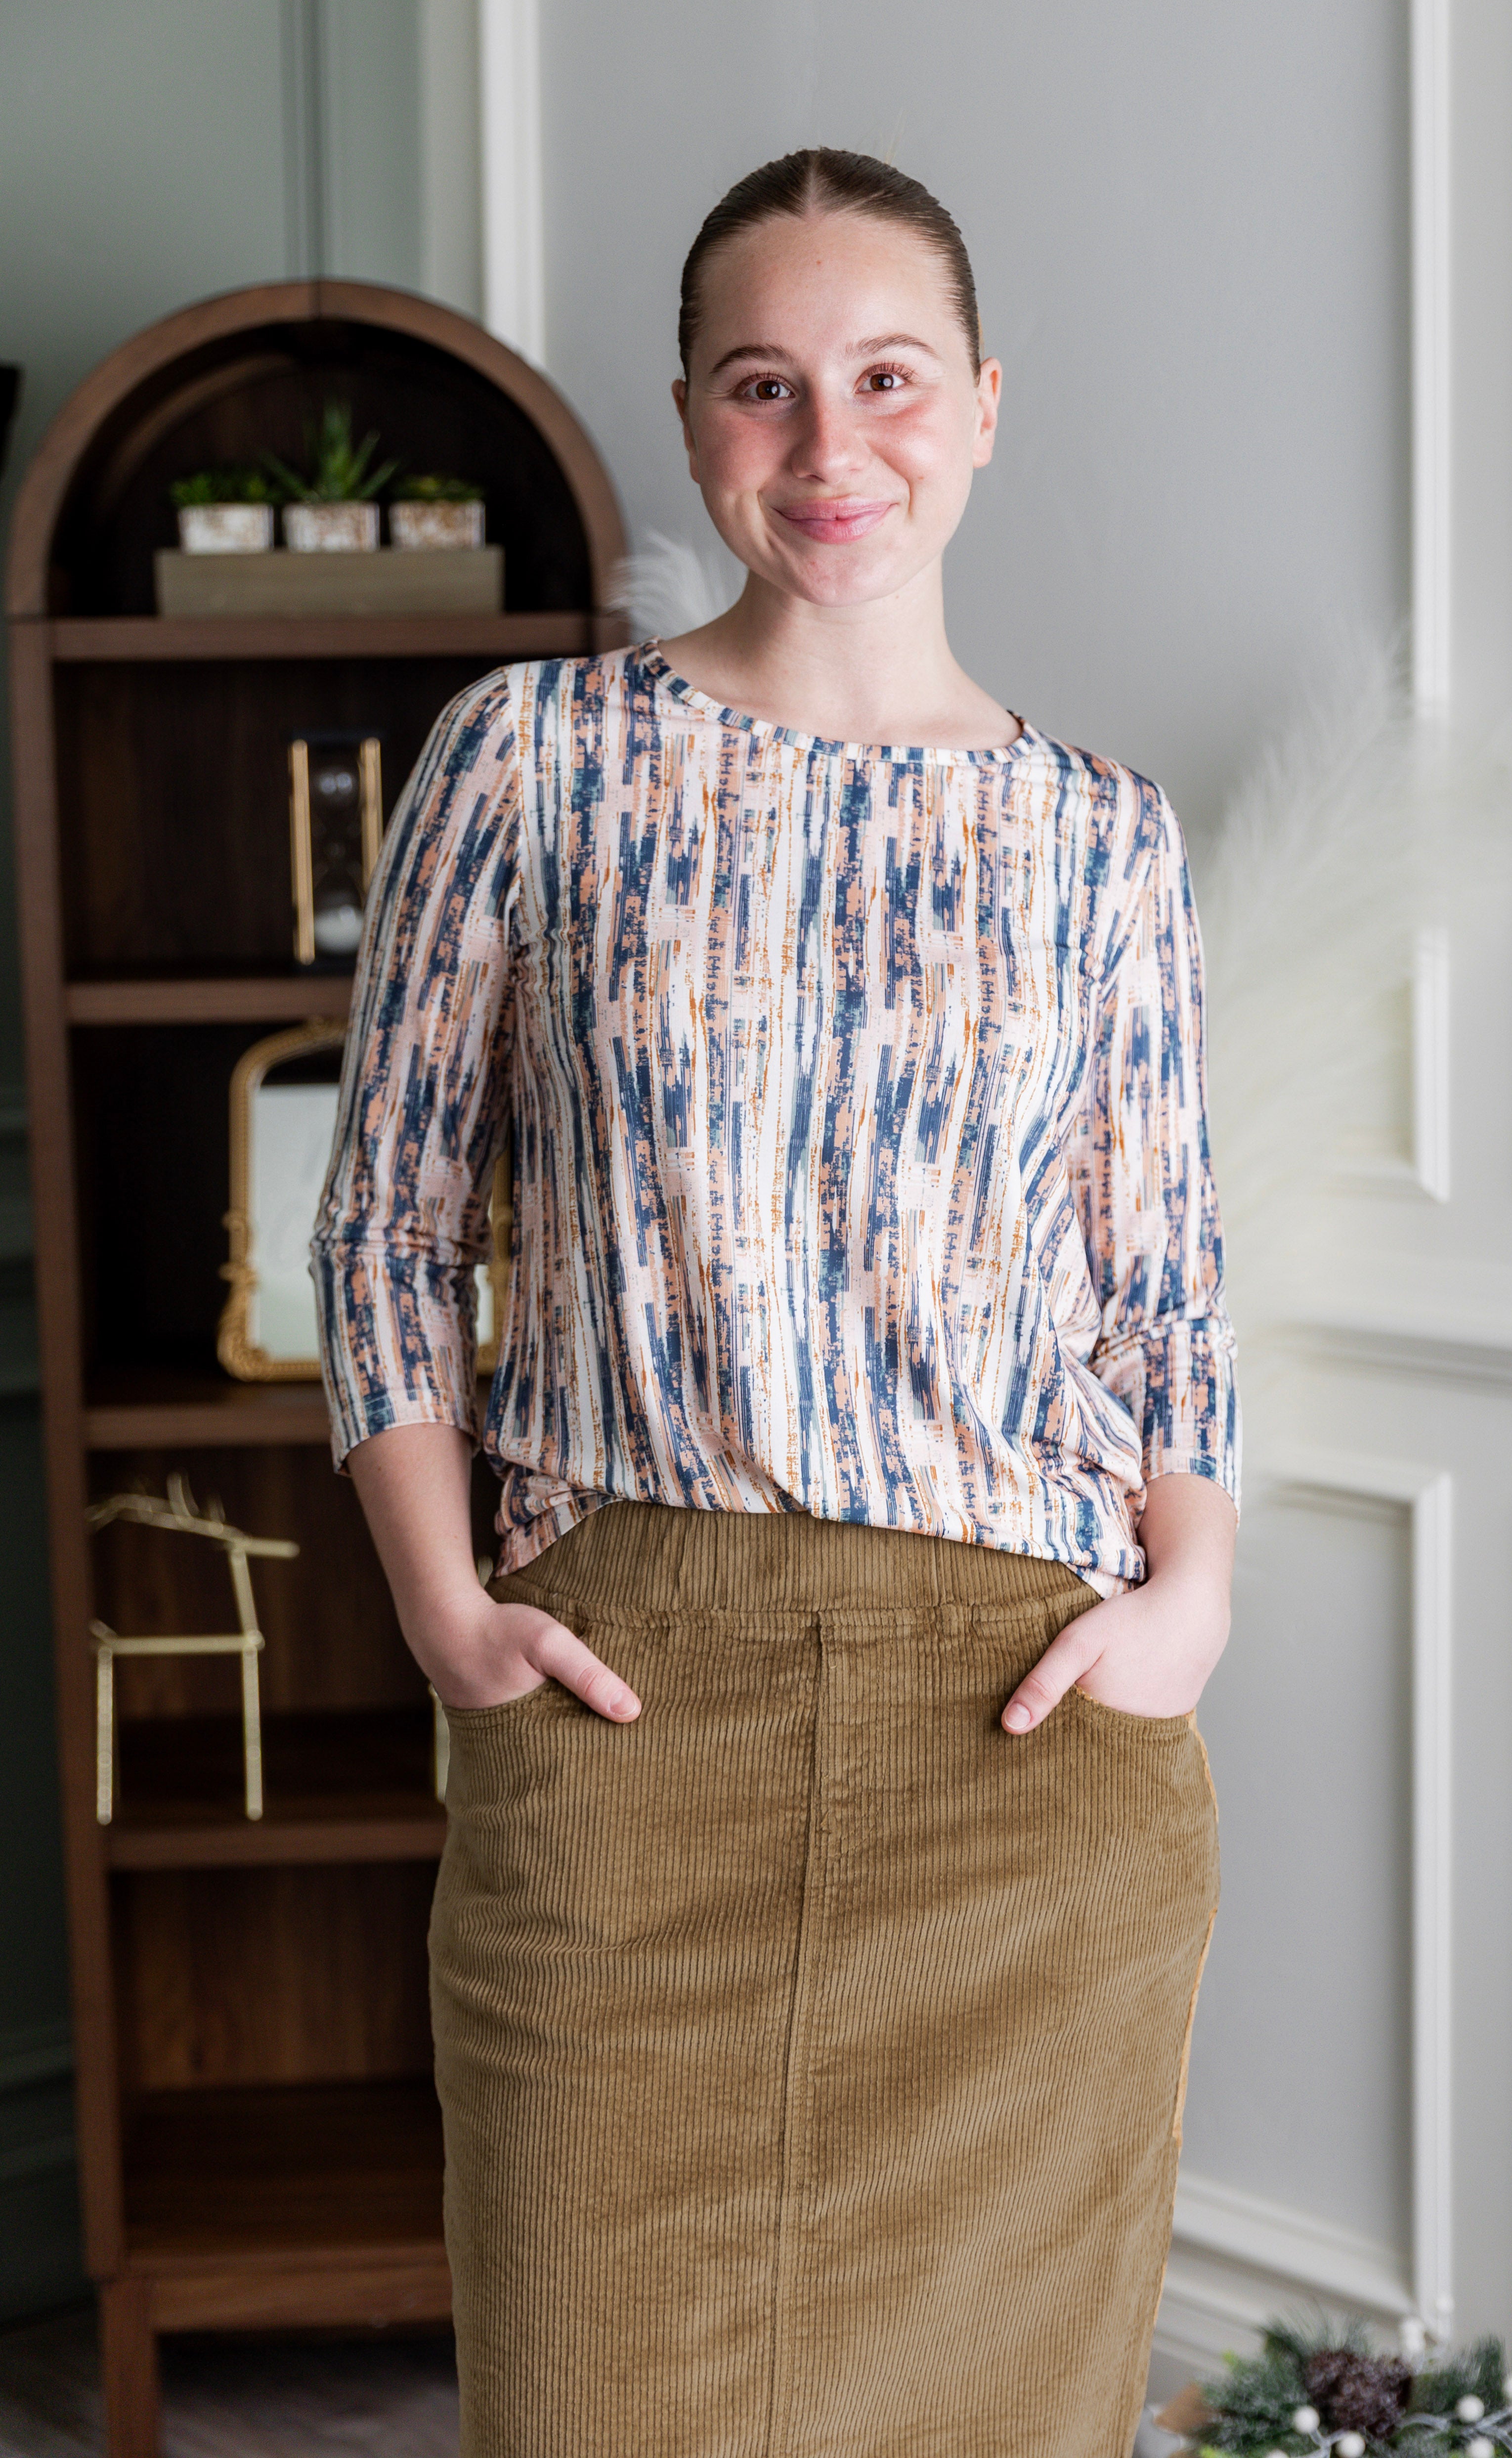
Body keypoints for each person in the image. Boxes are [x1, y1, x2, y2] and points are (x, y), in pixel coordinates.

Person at [312, 148, 1239, 2458]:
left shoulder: (1102, 832)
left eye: (891, 378)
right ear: (693, 418)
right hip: (629, 1716)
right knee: (590, 2400)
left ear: (987, 404)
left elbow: (1168, 1286)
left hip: (1025, 1736)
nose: (833, 446)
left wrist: (1193, 1601)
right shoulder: (531, 759)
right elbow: (387, 1227)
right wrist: (443, 1608)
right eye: (765, 384)